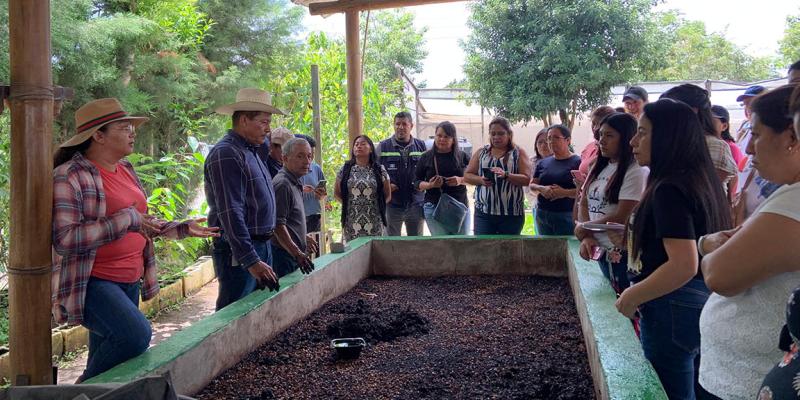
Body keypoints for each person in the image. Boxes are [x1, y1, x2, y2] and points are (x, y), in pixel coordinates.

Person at [52, 98, 220, 381]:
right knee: (135, 337)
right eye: (124, 126)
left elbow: (141, 221)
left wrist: (180, 228)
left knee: (111, 367)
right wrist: (126, 218)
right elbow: (66, 239)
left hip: (129, 278)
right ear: (98, 135)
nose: (133, 132)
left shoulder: (126, 169)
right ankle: (77, 394)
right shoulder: (69, 176)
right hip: (92, 281)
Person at [612, 99, 731, 399]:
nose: (633, 141)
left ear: (668, 136)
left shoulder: (668, 187)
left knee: (669, 392)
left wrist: (632, 295)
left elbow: (682, 264)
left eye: (643, 132)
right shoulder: (701, 180)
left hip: (671, 305)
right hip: (702, 303)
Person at [698, 84, 800, 400]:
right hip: (739, 374)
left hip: (746, 381)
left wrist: (708, 247)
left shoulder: (795, 201)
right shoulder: (787, 194)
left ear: (792, 138)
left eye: (756, 135)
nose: (750, 148)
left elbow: (719, 275)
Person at [205, 88, 283, 311]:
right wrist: (249, 259)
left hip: (261, 244)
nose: (268, 130)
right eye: (263, 122)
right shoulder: (227, 153)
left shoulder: (252, 150)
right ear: (243, 120)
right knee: (235, 314)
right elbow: (231, 211)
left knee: (256, 312)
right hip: (240, 250)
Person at [575, 113, 647, 295]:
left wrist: (584, 227)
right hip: (599, 249)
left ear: (626, 137)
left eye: (609, 136)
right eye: (600, 135)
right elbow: (583, 202)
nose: (601, 141)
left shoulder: (635, 170)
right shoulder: (599, 166)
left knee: (623, 300)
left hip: (621, 252)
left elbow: (622, 215)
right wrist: (587, 235)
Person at [661, 84, 737, 199]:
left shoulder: (713, 145)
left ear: (692, 111)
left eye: (670, 111)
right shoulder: (674, 142)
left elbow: (701, 190)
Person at [463, 117, 532, 235]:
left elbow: (527, 179)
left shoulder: (518, 153)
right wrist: (480, 180)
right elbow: (467, 176)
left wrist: (506, 175)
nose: (496, 137)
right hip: (484, 213)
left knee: (508, 250)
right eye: (493, 134)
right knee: (484, 248)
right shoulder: (482, 152)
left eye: (500, 134)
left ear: (509, 134)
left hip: (511, 214)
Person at [270, 137, 318, 278]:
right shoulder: (283, 184)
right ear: (285, 158)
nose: (306, 161)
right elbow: (278, 225)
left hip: (291, 254)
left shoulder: (294, 181)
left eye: (309, 156)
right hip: (284, 256)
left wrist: (302, 237)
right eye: (300, 156)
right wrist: (297, 252)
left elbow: (290, 219)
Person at [414, 121, 471, 235]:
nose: (442, 139)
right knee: (442, 247)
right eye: (439, 135)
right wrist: (430, 185)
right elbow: (416, 183)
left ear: (453, 139)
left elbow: (475, 179)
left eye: (446, 136)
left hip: (459, 207)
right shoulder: (426, 157)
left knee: (463, 245)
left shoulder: (462, 156)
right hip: (434, 207)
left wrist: (460, 180)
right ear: (435, 136)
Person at [377, 111, 427, 236]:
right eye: (397, 124)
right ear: (393, 125)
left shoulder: (421, 146)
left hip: (416, 203)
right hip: (391, 205)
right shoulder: (383, 147)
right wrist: (385, 186)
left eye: (404, 124)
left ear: (411, 126)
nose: (400, 127)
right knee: (391, 244)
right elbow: (374, 173)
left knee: (416, 244)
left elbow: (427, 171)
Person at [335, 135, 392, 242]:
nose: (358, 147)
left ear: (371, 149)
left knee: (374, 251)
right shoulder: (345, 169)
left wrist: (378, 207)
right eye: (356, 144)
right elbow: (336, 193)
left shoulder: (380, 169)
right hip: (352, 220)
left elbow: (388, 195)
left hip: (374, 219)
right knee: (353, 252)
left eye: (362, 144)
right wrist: (350, 206)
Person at [529, 124, 581, 235]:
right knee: (544, 249)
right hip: (542, 214)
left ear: (568, 140)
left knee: (564, 249)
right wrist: (541, 188)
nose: (551, 141)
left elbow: (584, 191)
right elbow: (532, 186)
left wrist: (564, 193)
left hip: (566, 215)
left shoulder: (578, 162)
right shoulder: (543, 162)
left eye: (556, 137)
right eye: (549, 138)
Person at [295, 134, 327, 235]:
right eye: (308, 154)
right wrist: (301, 189)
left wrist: (320, 194)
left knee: (315, 248)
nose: (311, 157)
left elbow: (323, 194)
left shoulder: (316, 168)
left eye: (312, 154)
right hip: (297, 217)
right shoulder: (289, 170)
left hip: (314, 216)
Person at [710, 105, 743, 202]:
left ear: (724, 126)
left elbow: (735, 178)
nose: (705, 124)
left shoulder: (729, 147)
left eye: (710, 121)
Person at [526, 128, 553, 226]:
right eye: (539, 142)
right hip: (538, 207)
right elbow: (528, 188)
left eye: (546, 141)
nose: (543, 145)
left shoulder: (565, 161)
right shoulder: (531, 162)